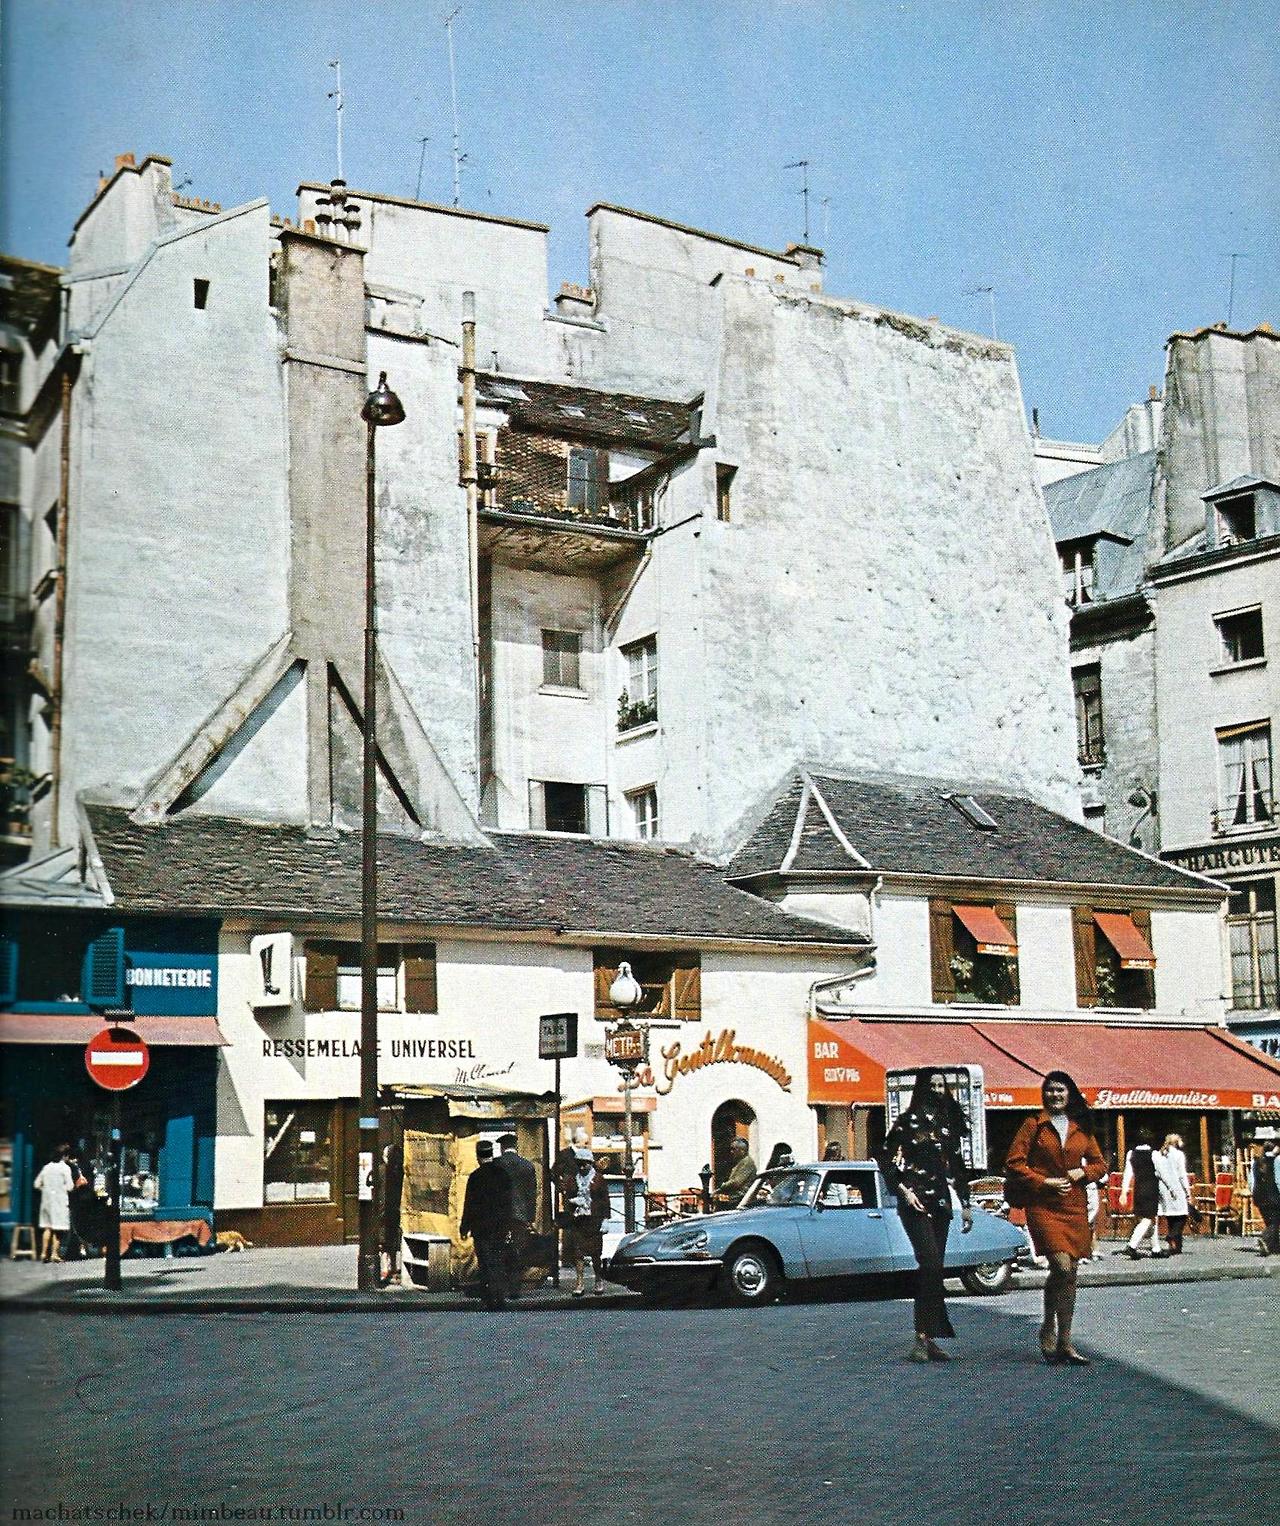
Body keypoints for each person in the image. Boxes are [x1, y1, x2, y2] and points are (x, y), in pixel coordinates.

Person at [1005, 1071, 1108, 1366]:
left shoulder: (1080, 1127)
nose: (1055, 1095)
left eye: (1060, 1090)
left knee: (1071, 1272)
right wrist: (1044, 1181)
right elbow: (1014, 1163)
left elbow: (1100, 1165)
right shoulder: (1033, 1124)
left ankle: (1065, 1340)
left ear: (1069, 1093)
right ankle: (1048, 1325)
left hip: (1073, 1205)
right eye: (1050, 1090)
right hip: (1043, 1204)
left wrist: (1082, 1172)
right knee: (1061, 1266)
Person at [877, 1068, 973, 1363]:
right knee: (929, 1262)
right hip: (915, 1200)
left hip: (941, 1201)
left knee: (935, 1269)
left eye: (941, 1085)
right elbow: (884, 1156)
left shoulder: (948, 1124)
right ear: (922, 1088)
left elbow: (957, 1165)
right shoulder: (907, 1122)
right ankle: (921, 1337)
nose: (936, 1090)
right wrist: (903, 1190)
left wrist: (966, 1203)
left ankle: (929, 1338)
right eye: (931, 1085)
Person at [460, 1139, 514, 1310]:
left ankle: (488, 1299)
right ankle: (500, 1297)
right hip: (500, 1227)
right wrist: (508, 1225)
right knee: (498, 1262)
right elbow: (508, 1203)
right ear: (492, 1153)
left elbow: (469, 1204)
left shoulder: (475, 1177)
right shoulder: (503, 1175)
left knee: (485, 1263)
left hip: (481, 1228)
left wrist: (464, 1226)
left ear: (478, 1156)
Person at [557, 1150, 610, 1296]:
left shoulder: (599, 1179)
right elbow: (567, 1198)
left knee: (595, 1253)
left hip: (594, 1220)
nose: (581, 1167)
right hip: (579, 1220)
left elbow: (605, 1200)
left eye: (584, 1164)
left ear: (590, 1163)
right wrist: (572, 1202)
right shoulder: (573, 1180)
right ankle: (579, 1282)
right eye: (579, 1164)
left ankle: (598, 1279)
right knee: (578, 1252)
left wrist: (605, 1219)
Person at [498, 1133, 538, 1299]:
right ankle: (515, 1288)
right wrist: (530, 1217)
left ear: (502, 1147)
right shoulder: (527, 1166)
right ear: (516, 1146)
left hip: (500, 1216)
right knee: (517, 1251)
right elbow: (532, 1194)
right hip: (520, 1216)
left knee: (500, 1250)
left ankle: (501, 1286)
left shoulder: (496, 1165)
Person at [1119, 1130, 1170, 1258]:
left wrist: (1124, 1192)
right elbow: (1162, 1173)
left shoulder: (1131, 1154)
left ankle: (1156, 1249)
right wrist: (1171, 1188)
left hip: (1138, 1188)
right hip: (1151, 1189)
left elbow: (1128, 1174)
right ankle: (1132, 1245)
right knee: (1148, 1219)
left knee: (1150, 1219)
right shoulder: (1154, 1154)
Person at [33, 1145, 75, 1263]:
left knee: (47, 1227)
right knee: (58, 1229)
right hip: (59, 1201)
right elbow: (70, 1186)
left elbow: (37, 1184)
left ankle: (43, 1253)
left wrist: (46, 1189)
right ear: (65, 1156)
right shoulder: (65, 1168)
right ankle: (54, 1254)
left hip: (46, 1201)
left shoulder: (46, 1167)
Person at [1158, 1133, 1193, 1255]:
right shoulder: (1179, 1155)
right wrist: (1187, 1191)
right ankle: (1172, 1236)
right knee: (1182, 1215)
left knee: (1171, 1216)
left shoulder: (1161, 1154)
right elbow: (1182, 1174)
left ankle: (1176, 1246)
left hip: (1164, 1188)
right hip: (1176, 1187)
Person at [380, 1141, 404, 1286]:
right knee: (391, 1241)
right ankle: (392, 1267)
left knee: (385, 1242)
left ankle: (386, 1268)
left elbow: (381, 1194)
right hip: (393, 1210)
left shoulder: (383, 1171)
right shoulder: (398, 1171)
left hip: (385, 1211)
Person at [1252, 1138, 1280, 1256]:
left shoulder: (1256, 1162)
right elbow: (1278, 1180)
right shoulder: (1275, 1161)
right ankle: (1265, 1238)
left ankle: (1274, 1247)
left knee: (1270, 1222)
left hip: (1259, 1197)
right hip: (1272, 1196)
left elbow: (1251, 1181)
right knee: (1275, 1222)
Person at [712, 1138, 757, 1208]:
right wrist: (717, 1191)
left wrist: (722, 1186)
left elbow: (736, 1182)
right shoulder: (741, 1162)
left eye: (734, 1149)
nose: (731, 1152)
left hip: (741, 1200)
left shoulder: (747, 1162)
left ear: (742, 1150)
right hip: (736, 1199)